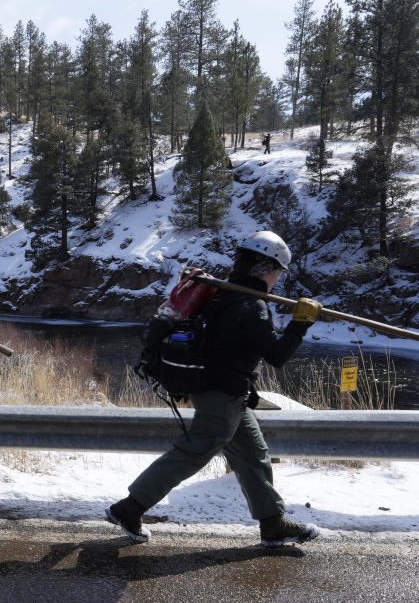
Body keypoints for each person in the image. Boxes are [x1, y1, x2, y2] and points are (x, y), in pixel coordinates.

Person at [107, 230, 323, 548]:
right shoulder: (253, 306)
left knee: (254, 455)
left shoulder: (223, 295)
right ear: (266, 268)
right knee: (193, 453)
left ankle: (273, 523)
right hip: (221, 395)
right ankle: (129, 509)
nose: (278, 278)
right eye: (278, 270)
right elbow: (277, 356)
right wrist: (301, 322)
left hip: (226, 393)